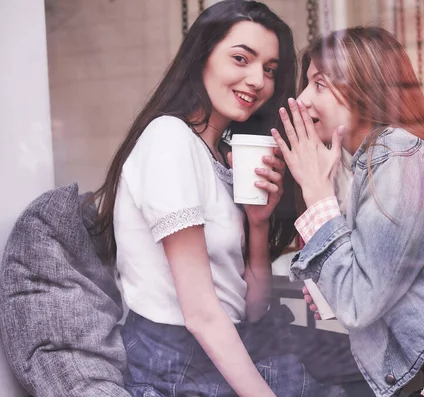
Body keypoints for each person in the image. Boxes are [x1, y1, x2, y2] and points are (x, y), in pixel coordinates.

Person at [88, 1, 352, 396]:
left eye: (268, 69)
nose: (257, 81)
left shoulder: (222, 158)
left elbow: (251, 308)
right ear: (201, 58)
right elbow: (200, 313)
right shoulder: (168, 139)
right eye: (241, 58)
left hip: (225, 346)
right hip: (174, 364)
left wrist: (258, 223)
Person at [271, 26, 424, 397]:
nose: (301, 99)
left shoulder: (397, 155)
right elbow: (365, 285)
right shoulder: (381, 159)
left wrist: (316, 193)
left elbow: (357, 303)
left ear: (362, 87)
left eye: (319, 84)